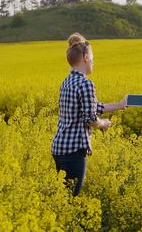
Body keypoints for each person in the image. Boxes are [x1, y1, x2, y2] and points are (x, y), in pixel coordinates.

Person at [51, 33, 127, 196]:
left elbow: (88, 108)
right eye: (92, 57)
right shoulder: (86, 83)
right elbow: (90, 118)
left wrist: (120, 105)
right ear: (85, 57)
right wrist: (103, 123)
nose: (93, 61)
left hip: (59, 148)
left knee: (63, 198)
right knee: (71, 199)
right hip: (73, 151)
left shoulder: (67, 81)